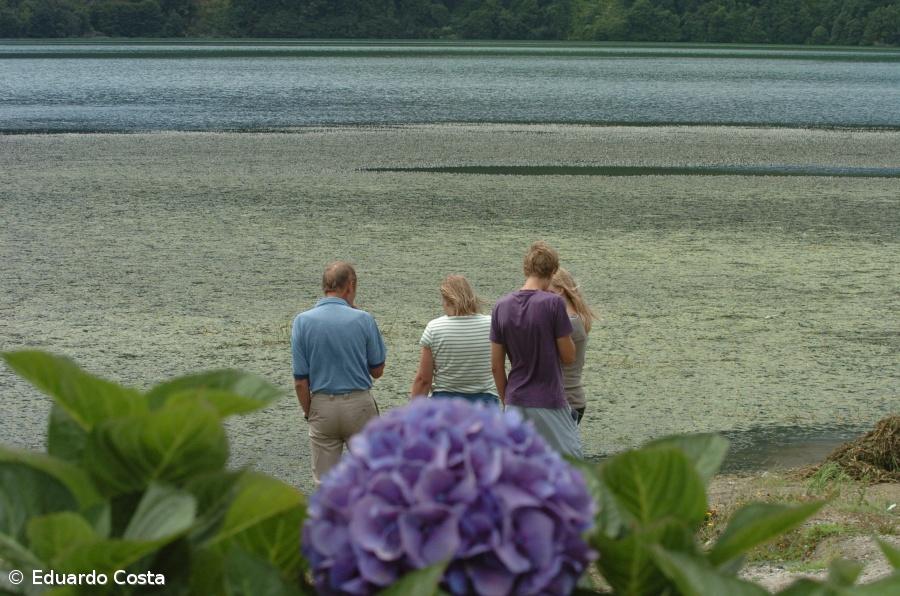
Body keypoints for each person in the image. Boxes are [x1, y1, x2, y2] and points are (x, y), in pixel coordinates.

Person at [291, 261, 386, 484]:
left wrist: (309, 412)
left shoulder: (302, 322)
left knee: (324, 485)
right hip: (359, 405)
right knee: (371, 478)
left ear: (325, 287)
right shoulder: (364, 319)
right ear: (350, 285)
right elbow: (378, 370)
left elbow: (300, 382)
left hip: (322, 406)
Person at [490, 241, 583, 457]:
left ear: (526, 269)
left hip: (515, 399)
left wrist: (507, 399)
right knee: (573, 460)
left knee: (519, 464)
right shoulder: (553, 304)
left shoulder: (500, 306)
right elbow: (568, 356)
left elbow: (495, 366)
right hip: (550, 399)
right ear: (552, 271)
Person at [410, 275, 499, 406]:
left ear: (446, 300)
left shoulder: (434, 328)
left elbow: (424, 379)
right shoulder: (491, 324)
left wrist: (413, 412)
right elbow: (498, 366)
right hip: (485, 404)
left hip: (445, 405)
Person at [550, 268, 598, 425]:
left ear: (559, 290)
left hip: (566, 402)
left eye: (545, 290)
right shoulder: (574, 319)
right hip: (571, 399)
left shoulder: (568, 324)